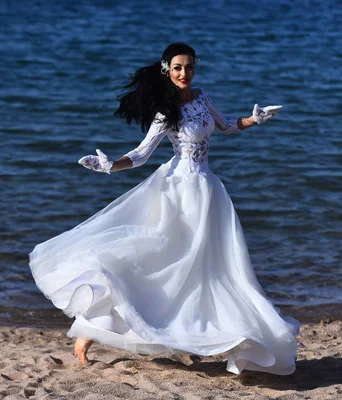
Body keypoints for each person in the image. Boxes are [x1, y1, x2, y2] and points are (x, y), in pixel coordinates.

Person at [29, 42, 299, 375]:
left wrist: (254, 119)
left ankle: (211, 334)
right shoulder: (165, 112)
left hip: (208, 190)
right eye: (177, 68)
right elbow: (141, 155)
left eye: (189, 67)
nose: (184, 74)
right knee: (161, 260)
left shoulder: (201, 96)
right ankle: (91, 326)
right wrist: (110, 166)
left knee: (213, 269)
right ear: (166, 70)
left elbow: (227, 126)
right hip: (179, 189)